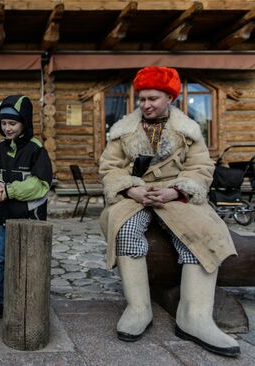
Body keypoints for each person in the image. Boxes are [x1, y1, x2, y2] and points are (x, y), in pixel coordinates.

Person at [98, 66, 239, 357]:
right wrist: (129, 188)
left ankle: (194, 316)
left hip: (175, 195)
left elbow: (201, 168)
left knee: (202, 232)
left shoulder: (188, 130)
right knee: (123, 228)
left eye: (153, 98)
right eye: (142, 99)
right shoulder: (122, 130)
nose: (146, 104)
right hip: (135, 194)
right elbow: (109, 168)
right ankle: (139, 309)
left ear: (169, 98)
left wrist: (176, 190)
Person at [0, 95, 53, 322]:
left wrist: (10, 190)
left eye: (12, 123)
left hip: (31, 219)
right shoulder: (1, 148)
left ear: (24, 123)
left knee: (29, 261)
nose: (7, 128)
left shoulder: (36, 149)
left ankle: (30, 300)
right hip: (6, 218)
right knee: (1, 261)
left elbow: (40, 185)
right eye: (3, 123)